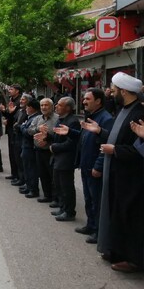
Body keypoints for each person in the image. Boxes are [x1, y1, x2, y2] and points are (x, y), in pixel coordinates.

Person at [81, 72, 144, 273]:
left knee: (131, 217)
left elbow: (138, 149)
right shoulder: (124, 110)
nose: (111, 93)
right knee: (117, 214)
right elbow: (118, 139)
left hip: (132, 178)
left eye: (114, 90)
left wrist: (115, 150)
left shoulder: (138, 114)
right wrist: (100, 132)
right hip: (119, 173)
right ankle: (116, 250)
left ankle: (134, 259)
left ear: (124, 92)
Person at [54, 88, 114, 244]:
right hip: (86, 164)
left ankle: (98, 231)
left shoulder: (105, 119)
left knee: (96, 200)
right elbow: (83, 136)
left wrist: (98, 166)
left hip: (94, 166)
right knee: (88, 198)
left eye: (87, 99)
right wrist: (69, 132)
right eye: (84, 99)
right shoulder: (91, 116)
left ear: (98, 101)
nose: (84, 101)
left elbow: (106, 143)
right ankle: (91, 224)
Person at [36, 97, 80, 222]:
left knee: (66, 187)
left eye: (59, 105)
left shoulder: (72, 121)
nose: (56, 107)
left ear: (68, 108)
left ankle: (69, 211)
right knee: (59, 185)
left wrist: (53, 147)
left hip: (65, 159)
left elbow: (72, 143)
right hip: (57, 158)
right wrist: (47, 136)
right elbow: (56, 136)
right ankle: (63, 207)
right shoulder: (61, 119)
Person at [27, 98, 59, 204]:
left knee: (53, 176)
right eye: (42, 105)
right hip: (38, 150)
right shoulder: (37, 119)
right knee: (42, 174)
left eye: (46, 105)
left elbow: (59, 135)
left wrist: (47, 141)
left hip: (50, 151)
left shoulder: (57, 119)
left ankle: (55, 198)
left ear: (52, 106)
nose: (43, 107)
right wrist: (37, 129)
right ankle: (47, 195)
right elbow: (29, 130)